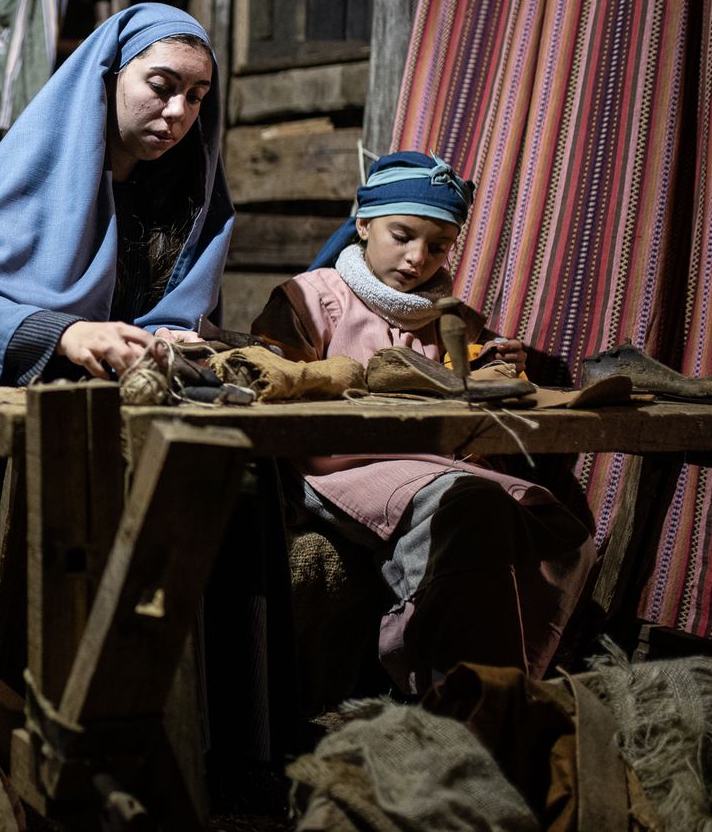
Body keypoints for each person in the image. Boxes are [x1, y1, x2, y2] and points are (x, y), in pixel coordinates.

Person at [0, 3, 234, 612]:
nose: (179, 113)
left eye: (198, 96)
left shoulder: (186, 197)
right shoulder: (37, 174)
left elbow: (177, 311)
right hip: (18, 417)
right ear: (109, 77)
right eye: (161, 86)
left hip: (123, 410)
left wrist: (175, 337)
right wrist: (67, 333)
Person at [252, 151, 595, 694]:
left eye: (438, 246)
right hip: (335, 465)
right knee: (466, 506)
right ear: (363, 223)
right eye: (401, 235)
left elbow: (475, 388)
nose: (418, 258)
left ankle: (504, 688)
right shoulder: (309, 298)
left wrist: (492, 368)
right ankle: (432, 685)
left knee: (555, 527)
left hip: (434, 461)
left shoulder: (452, 318)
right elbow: (271, 383)